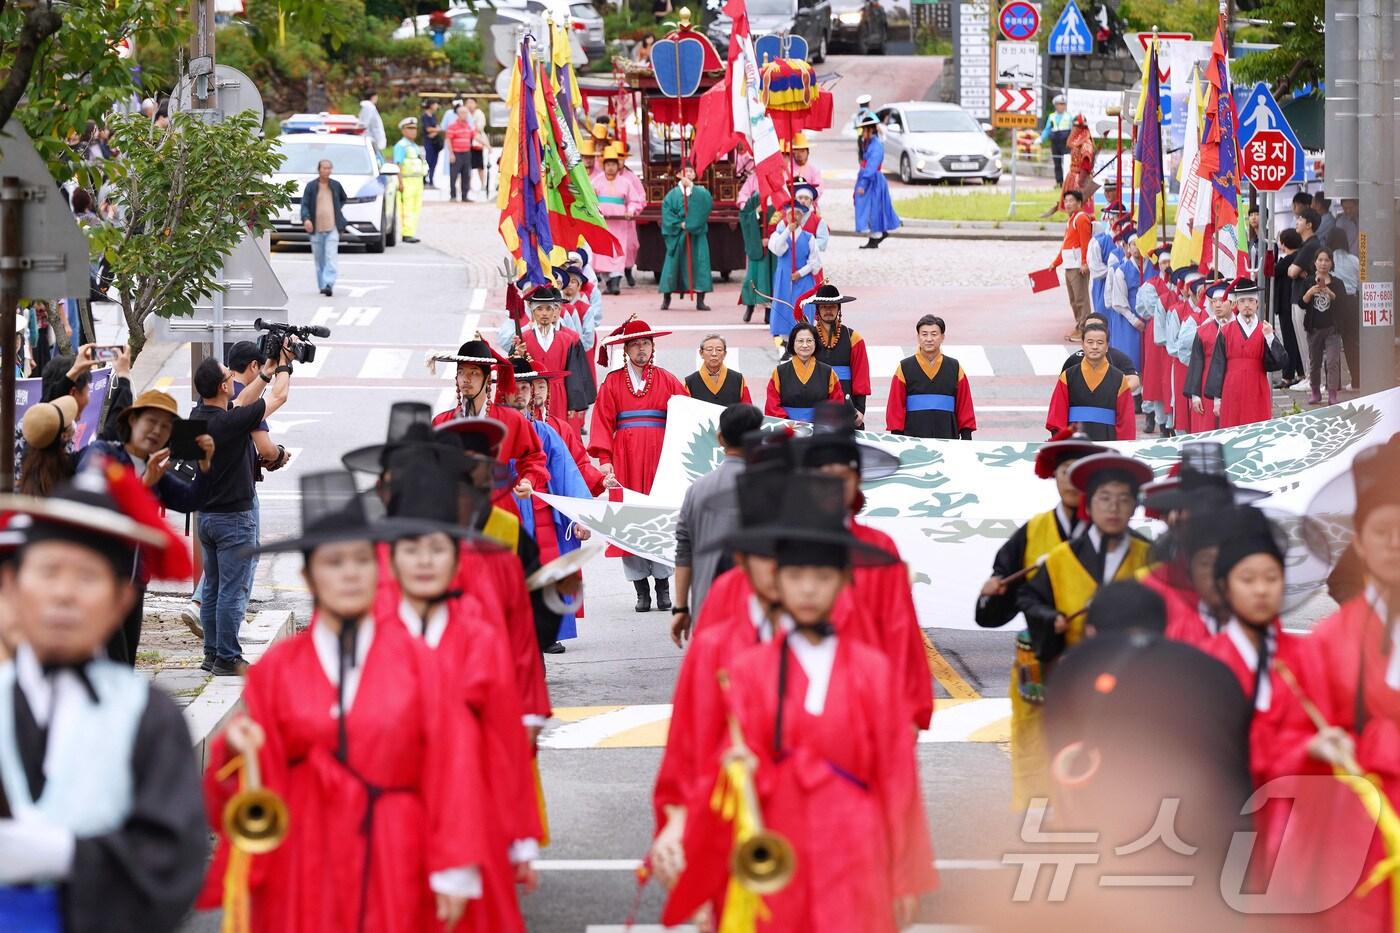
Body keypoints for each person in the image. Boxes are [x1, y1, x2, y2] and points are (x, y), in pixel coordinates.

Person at [198, 470, 491, 933]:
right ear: (309, 576)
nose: (350, 573)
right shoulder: (277, 670)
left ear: (380, 570)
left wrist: (454, 865)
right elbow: (241, 787)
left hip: (396, 849)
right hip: (302, 852)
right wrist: (236, 750)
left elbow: (453, 765)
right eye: (334, 562)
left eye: (361, 560)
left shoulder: (420, 662)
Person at [660, 473, 938, 933]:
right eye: (790, 572)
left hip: (855, 844)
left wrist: (904, 873)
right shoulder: (741, 666)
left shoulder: (870, 667)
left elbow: (897, 775)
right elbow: (703, 762)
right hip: (768, 836)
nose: (804, 587)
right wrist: (693, 835)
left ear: (840, 581)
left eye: (819, 576)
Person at [0, 467, 207, 933]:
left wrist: (65, 855)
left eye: (87, 577)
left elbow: (174, 861)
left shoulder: (149, 716)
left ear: (121, 601)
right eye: (49, 571)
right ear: (11, 586)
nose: (64, 594)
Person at [381, 453, 539, 930]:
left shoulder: (477, 635)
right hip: (386, 818)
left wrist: (519, 836)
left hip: (470, 804)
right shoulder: (370, 632)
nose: (424, 560)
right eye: (411, 549)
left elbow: (504, 741)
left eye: (437, 549)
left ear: (457, 555)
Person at [1285, 435, 1400, 929]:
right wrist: (1311, 748)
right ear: (1360, 543)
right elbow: (1285, 738)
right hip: (1359, 831)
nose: (1394, 543)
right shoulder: (1327, 642)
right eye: (1382, 531)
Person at [975, 431, 1104, 808]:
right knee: (1036, 748)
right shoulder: (1033, 533)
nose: (1071, 480)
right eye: (1065, 471)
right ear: (1054, 477)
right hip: (1041, 661)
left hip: (1095, 661)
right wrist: (992, 593)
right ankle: (1039, 824)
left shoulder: (1110, 535)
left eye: (1080, 472)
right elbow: (1000, 599)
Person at [79, 390, 215, 664]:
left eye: (165, 427)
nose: (156, 431)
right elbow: (90, 499)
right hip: (98, 580)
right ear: (132, 421)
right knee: (109, 661)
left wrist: (204, 466)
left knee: (126, 662)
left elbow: (190, 501)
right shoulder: (103, 453)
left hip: (134, 583)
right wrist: (143, 484)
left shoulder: (155, 470)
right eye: (151, 421)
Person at [191, 350, 292, 676]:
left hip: (206, 517)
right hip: (234, 518)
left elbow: (241, 402)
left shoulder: (197, 416)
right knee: (232, 592)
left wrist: (265, 372)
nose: (233, 382)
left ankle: (211, 653)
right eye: (228, 378)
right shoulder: (231, 423)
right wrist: (285, 366)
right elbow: (279, 397)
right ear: (224, 387)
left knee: (212, 588)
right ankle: (227, 657)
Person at [1017, 451, 1153, 669]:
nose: (1114, 508)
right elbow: (1029, 598)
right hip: (1074, 669)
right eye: (1105, 498)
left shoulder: (1150, 557)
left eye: (1124, 499)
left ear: (1134, 507)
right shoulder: (1062, 557)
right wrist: (1050, 618)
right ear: (1088, 506)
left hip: (1135, 670)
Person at [590, 318, 688, 611]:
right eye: (635, 344)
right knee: (629, 520)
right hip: (625, 458)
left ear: (653, 347)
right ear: (626, 349)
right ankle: (640, 588)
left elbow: (685, 414)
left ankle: (663, 585)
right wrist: (605, 460)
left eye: (646, 343)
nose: (641, 349)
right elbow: (602, 421)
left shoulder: (668, 379)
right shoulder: (612, 382)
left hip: (659, 459)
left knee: (659, 518)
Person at [672, 403, 765, 636]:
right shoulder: (773, 489)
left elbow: (684, 549)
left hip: (707, 609)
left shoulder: (696, 490)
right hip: (759, 612)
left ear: (720, 438)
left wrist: (681, 608)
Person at [429, 338, 550, 512]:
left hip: (498, 507)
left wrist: (528, 479)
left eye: (474, 373)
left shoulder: (511, 419)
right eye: (461, 372)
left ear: (487, 380)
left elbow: (534, 455)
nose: (466, 379)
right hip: (454, 508)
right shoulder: (442, 422)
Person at [506, 284, 595, 423]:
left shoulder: (567, 340)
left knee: (559, 429)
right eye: (539, 309)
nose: (544, 313)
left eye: (548, 308)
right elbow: (513, 371)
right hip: (533, 393)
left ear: (555, 311)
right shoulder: (523, 339)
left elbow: (574, 373)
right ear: (532, 311)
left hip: (559, 394)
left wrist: (573, 404)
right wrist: (518, 355)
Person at [1204, 279, 1286, 428]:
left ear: (1257, 303)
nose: (1247, 305)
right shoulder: (1225, 331)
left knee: (1257, 429)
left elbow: (1280, 362)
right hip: (1231, 389)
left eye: (1251, 300)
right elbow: (1217, 365)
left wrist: (1270, 337)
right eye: (1242, 301)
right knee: (1232, 430)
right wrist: (1217, 400)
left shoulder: (1264, 329)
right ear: (1236, 304)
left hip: (1257, 387)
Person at [886, 313, 977, 439]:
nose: (929, 339)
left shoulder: (954, 367)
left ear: (942, 337)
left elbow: (964, 404)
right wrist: (897, 436)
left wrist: (966, 436)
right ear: (918, 337)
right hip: (913, 436)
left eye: (934, 334)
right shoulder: (905, 367)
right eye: (924, 334)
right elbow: (895, 405)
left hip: (947, 434)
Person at [1045, 321, 1136, 441]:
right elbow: (1057, 416)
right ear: (1082, 344)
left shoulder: (1119, 378)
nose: (1095, 347)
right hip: (1074, 441)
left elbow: (1126, 421)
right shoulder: (1067, 376)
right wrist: (1063, 443)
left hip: (1109, 440)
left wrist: (1122, 446)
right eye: (1090, 342)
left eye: (1100, 342)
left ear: (1107, 346)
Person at [766, 184, 827, 345]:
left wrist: (801, 272)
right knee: (784, 307)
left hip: (803, 279)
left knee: (803, 308)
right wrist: (788, 231)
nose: (794, 217)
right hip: (784, 278)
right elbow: (778, 249)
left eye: (798, 214)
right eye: (790, 214)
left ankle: (804, 339)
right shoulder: (778, 234)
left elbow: (815, 262)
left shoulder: (808, 237)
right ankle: (786, 342)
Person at [808, 283, 869, 424]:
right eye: (824, 307)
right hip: (815, 403)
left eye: (832, 307)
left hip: (846, 403)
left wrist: (860, 409)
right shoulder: (808, 338)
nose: (828, 311)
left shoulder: (854, 338)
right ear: (817, 310)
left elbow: (861, 376)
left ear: (839, 309)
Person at [766, 322, 846, 422]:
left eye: (809, 341)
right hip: (787, 428)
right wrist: (789, 424)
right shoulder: (779, 372)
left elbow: (837, 404)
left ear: (815, 343)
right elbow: (772, 406)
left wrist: (819, 424)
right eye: (800, 341)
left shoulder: (828, 372)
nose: (805, 345)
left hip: (820, 427)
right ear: (792, 343)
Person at [659, 164, 713, 310]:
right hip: (678, 234)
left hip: (697, 235)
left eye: (691, 171)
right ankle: (666, 297)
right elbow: (667, 213)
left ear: (694, 175)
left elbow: (706, 204)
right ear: (678, 175)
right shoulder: (672, 195)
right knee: (672, 266)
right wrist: (680, 224)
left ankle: (700, 300)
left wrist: (692, 223)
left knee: (700, 266)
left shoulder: (701, 192)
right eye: (685, 171)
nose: (688, 174)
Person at [591, 145, 644, 294]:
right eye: (608, 164)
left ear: (618, 166)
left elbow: (634, 201)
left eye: (613, 164)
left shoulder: (626, 182)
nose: (610, 167)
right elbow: (590, 200)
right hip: (602, 223)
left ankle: (615, 284)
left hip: (620, 224)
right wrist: (595, 211)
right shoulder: (596, 181)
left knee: (618, 252)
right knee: (602, 254)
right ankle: (609, 283)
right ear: (604, 166)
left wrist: (630, 211)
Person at [1183, 281, 1235, 433]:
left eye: (1222, 301)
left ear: (1233, 304)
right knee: (1207, 429)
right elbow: (1196, 362)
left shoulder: (1239, 328)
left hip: (1231, 382)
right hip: (1206, 386)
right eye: (1214, 301)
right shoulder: (1203, 330)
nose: (1217, 305)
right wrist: (1195, 395)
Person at [1301, 248, 1349, 406]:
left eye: (1327, 260)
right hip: (1314, 329)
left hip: (1332, 329)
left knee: (1332, 361)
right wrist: (1310, 292)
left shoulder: (1337, 283)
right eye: (1320, 260)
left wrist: (1329, 292)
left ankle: (1332, 393)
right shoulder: (1308, 281)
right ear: (1315, 262)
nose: (1323, 263)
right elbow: (1302, 303)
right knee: (1315, 362)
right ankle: (1315, 392)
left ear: (1331, 263)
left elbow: (1343, 303)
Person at [1051, 189, 1095, 340]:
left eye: (1071, 201)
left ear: (1079, 203)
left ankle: (1084, 329)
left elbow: (1085, 242)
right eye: (1066, 201)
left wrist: (1084, 262)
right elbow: (1066, 245)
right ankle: (1079, 326)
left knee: (1081, 299)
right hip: (1069, 265)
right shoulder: (1071, 220)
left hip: (1077, 267)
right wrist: (1055, 263)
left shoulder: (1081, 218)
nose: (1068, 204)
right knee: (1074, 300)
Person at [300, 159, 347, 298]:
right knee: (319, 259)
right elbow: (304, 204)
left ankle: (329, 284)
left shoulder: (336, 185)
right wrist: (306, 219)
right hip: (316, 229)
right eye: (324, 168)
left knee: (331, 256)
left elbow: (343, 198)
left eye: (329, 168)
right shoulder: (311, 186)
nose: (327, 170)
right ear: (319, 169)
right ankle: (322, 285)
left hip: (332, 227)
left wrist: (336, 209)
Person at [854, 112, 900, 248]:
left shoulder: (876, 146)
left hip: (873, 181)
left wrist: (863, 184)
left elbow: (871, 166)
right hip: (869, 179)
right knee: (871, 208)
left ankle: (876, 236)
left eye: (864, 130)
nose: (862, 133)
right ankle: (876, 235)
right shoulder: (869, 144)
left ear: (870, 130)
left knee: (874, 209)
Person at [1287, 206, 1323, 377]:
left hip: (1305, 299)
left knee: (1308, 340)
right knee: (1303, 340)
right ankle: (1309, 376)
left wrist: (1297, 271)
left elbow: (1292, 271)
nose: (1297, 222)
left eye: (1300, 219)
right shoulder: (1306, 245)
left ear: (1309, 224)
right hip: (1299, 297)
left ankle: (1313, 377)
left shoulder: (1311, 245)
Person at [1103, 234, 1147, 373]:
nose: (1136, 247)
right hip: (1129, 318)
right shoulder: (1121, 271)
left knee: (1148, 360)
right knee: (1130, 358)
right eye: (1133, 244)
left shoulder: (1152, 269)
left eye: (1139, 244)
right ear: (1128, 247)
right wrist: (1134, 320)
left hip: (1149, 318)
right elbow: (1118, 300)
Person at [1327, 227, 1362, 391]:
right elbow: (1360, 282)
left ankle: (1334, 383)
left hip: (1334, 301)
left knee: (1332, 342)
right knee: (1351, 343)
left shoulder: (1328, 260)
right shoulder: (1354, 260)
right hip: (1352, 302)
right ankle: (1356, 381)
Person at [1272, 227, 1306, 388]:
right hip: (1291, 302)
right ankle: (1301, 372)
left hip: (1287, 303)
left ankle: (1288, 376)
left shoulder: (1288, 260)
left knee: (1290, 341)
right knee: (1295, 340)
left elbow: (1272, 270)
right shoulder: (1298, 257)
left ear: (1284, 243)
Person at [737, 171, 772, 324]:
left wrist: (771, 239)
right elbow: (744, 215)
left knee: (769, 279)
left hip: (772, 248)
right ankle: (749, 305)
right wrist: (755, 213)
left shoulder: (779, 199)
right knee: (752, 277)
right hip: (756, 245)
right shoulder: (755, 199)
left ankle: (769, 310)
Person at [683, 333, 752, 405]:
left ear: (724, 354)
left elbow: (747, 409)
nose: (714, 354)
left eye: (719, 350)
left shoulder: (738, 379)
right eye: (709, 349)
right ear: (701, 353)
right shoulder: (690, 382)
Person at [391, 117, 427, 244]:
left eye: (414, 129)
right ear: (403, 131)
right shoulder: (401, 146)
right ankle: (406, 233)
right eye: (410, 128)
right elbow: (398, 164)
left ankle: (411, 232)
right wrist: (400, 182)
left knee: (416, 208)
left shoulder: (415, 146)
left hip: (417, 180)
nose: (413, 131)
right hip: (406, 180)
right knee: (407, 208)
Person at [1039, 94, 1073, 185]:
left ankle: (1068, 182)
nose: (1062, 106)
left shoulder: (1069, 116)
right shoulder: (1052, 116)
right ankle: (1059, 182)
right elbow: (1047, 129)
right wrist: (1041, 138)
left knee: (1067, 163)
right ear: (1056, 105)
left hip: (1065, 142)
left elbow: (1073, 130)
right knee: (1057, 163)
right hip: (1055, 142)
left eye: (1063, 104)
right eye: (1060, 104)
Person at [444, 102, 475, 201]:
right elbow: (448, 140)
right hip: (456, 153)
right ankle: (453, 195)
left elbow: (475, 135)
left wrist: (487, 145)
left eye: (466, 113)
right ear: (458, 114)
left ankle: (464, 196)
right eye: (462, 113)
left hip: (466, 153)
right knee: (454, 175)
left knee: (466, 175)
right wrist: (451, 153)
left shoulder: (468, 126)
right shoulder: (452, 126)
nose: (464, 115)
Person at [464, 98, 489, 197]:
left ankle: (483, 184)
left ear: (475, 104)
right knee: (466, 166)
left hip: (477, 142)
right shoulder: (464, 113)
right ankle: (467, 185)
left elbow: (479, 127)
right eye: (468, 103)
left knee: (480, 165)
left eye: (472, 102)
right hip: (466, 142)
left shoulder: (479, 114)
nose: (470, 105)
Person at [420, 99, 442, 187]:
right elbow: (428, 129)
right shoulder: (425, 116)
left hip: (435, 142)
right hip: (428, 141)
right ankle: (424, 179)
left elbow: (436, 128)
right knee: (428, 161)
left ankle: (431, 180)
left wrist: (435, 131)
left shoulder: (433, 116)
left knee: (434, 162)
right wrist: (437, 130)